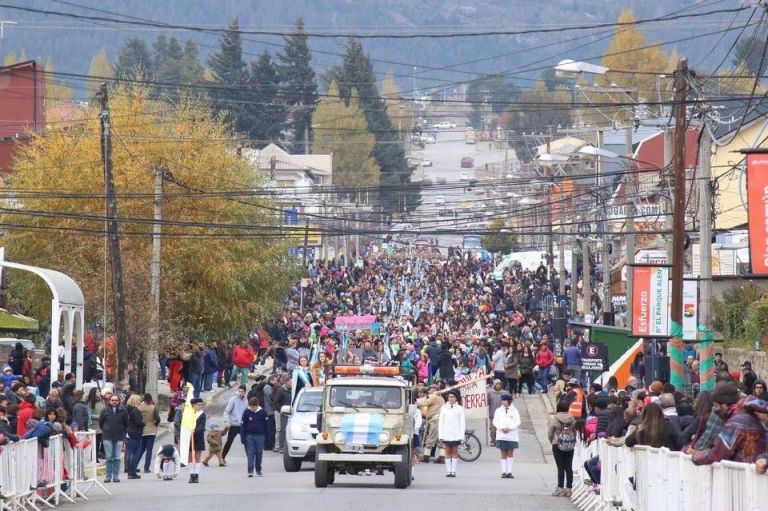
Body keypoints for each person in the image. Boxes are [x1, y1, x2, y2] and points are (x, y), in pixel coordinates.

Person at [691, 387, 768, 465]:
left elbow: (717, 453)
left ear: (724, 405)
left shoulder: (735, 423)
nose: (715, 410)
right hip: (756, 468)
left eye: (716, 406)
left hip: (747, 471)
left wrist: (695, 457)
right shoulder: (748, 415)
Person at [548, 400, 577, 496]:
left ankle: (560, 488)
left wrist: (552, 441)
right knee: (569, 466)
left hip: (557, 444)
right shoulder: (572, 419)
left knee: (560, 467)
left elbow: (550, 433)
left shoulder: (555, 419)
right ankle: (569, 489)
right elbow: (574, 431)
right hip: (569, 444)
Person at [99, 393, 128, 483]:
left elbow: (126, 423)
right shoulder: (105, 411)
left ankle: (116, 476)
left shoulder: (123, 411)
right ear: (109, 401)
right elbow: (101, 423)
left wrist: (122, 432)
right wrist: (106, 429)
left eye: (116, 400)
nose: (114, 402)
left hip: (119, 436)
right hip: (107, 436)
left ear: (119, 401)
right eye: (112, 400)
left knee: (116, 457)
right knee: (109, 457)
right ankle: (108, 476)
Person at [492, 393, 521, 479]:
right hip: (501, 434)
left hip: (511, 435)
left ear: (509, 401)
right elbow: (495, 421)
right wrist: (501, 428)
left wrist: (510, 428)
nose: (503, 402)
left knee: (510, 453)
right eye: (502, 400)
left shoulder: (514, 410)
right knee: (503, 453)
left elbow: (518, 422)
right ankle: (504, 471)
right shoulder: (498, 410)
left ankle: (509, 471)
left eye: (504, 400)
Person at [438, 391, 465, 477]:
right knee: (447, 451)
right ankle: (448, 470)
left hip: (456, 434)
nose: (451, 398)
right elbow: (441, 422)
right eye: (449, 397)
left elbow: (462, 423)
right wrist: (441, 435)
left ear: (456, 398)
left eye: (453, 397)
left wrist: (461, 436)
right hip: (446, 433)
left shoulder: (460, 408)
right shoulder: (444, 408)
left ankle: (453, 471)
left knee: (454, 451)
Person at [241, 397, 268, 477]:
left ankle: (258, 469)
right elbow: (243, 425)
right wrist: (243, 437)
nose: (252, 409)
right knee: (250, 453)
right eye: (251, 407)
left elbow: (267, 426)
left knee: (259, 453)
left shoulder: (263, 412)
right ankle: (250, 470)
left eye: (253, 407)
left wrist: (267, 438)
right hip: (249, 436)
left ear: (257, 405)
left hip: (260, 436)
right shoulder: (246, 412)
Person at [416, 385, 445, 463]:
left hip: (435, 420)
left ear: (435, 390)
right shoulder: (441, 398)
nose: (429, 391)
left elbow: (424, 402)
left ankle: (426, 456)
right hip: (440, 420)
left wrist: (415, 401)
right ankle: (442, 457)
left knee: (431, 438)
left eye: (430, 390)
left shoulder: (434, 397)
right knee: (440, 439)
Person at [222, 385, 248, 462]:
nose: (240, 393)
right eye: (239, 391)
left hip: (242, 425)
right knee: (229, 442)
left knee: (246, 442)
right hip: (233, 425)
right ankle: (222, 457)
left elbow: (247, 412)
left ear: (245, 392)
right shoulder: (233, 399)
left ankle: (250, 459)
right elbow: (227, 411)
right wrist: (227, 421)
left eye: (242, 392)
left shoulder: (246, 401)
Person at [124, 394, 146, 479]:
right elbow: (138, 422)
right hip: (135, 432)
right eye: (139, 400)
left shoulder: (126, 409)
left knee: (129, 452)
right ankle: (132, 472)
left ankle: (129, 470)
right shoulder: (136, 410)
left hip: (128, 431)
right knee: (134, 453)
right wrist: (143, 424)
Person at [138, 393, 161, 474]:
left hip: (142, 429)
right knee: (149, 449)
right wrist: (156, 424)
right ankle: (146, 468)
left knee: (141, 449)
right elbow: (157, 418)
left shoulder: (140, 407)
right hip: (151, 429)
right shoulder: (153, 407)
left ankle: (135, 465)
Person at [189, 398, 206, 483]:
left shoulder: (202, 414)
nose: (200, 406)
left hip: (198, 437)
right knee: (190, 457)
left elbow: (202, 427)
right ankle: (191, 474)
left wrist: (194, 430)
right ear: (194, 405)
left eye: (201, 405)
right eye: (198, 405)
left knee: (197, 456)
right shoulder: (189, 414)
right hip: (189, 437)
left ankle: (196, 474)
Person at [274, 375, 292, 453]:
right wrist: (281, 410)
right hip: (284, 412)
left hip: (292, 413)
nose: (291, 383)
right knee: (282, 429)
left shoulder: (293, 390)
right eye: (290, 382)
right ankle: (281, 447)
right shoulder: (281, 390)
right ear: (286, 382)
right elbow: (276, 402)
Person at [487, 379, 504, 444]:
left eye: (499, 384)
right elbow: (487, 402)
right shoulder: (490, 393)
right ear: (494, 385)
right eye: (497, 384)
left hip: (501, 414)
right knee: (493, 429)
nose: (498, 385)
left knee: (500, 428)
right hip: (493, 414)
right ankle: (493, 440)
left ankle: (499, 440)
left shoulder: (504, 393)